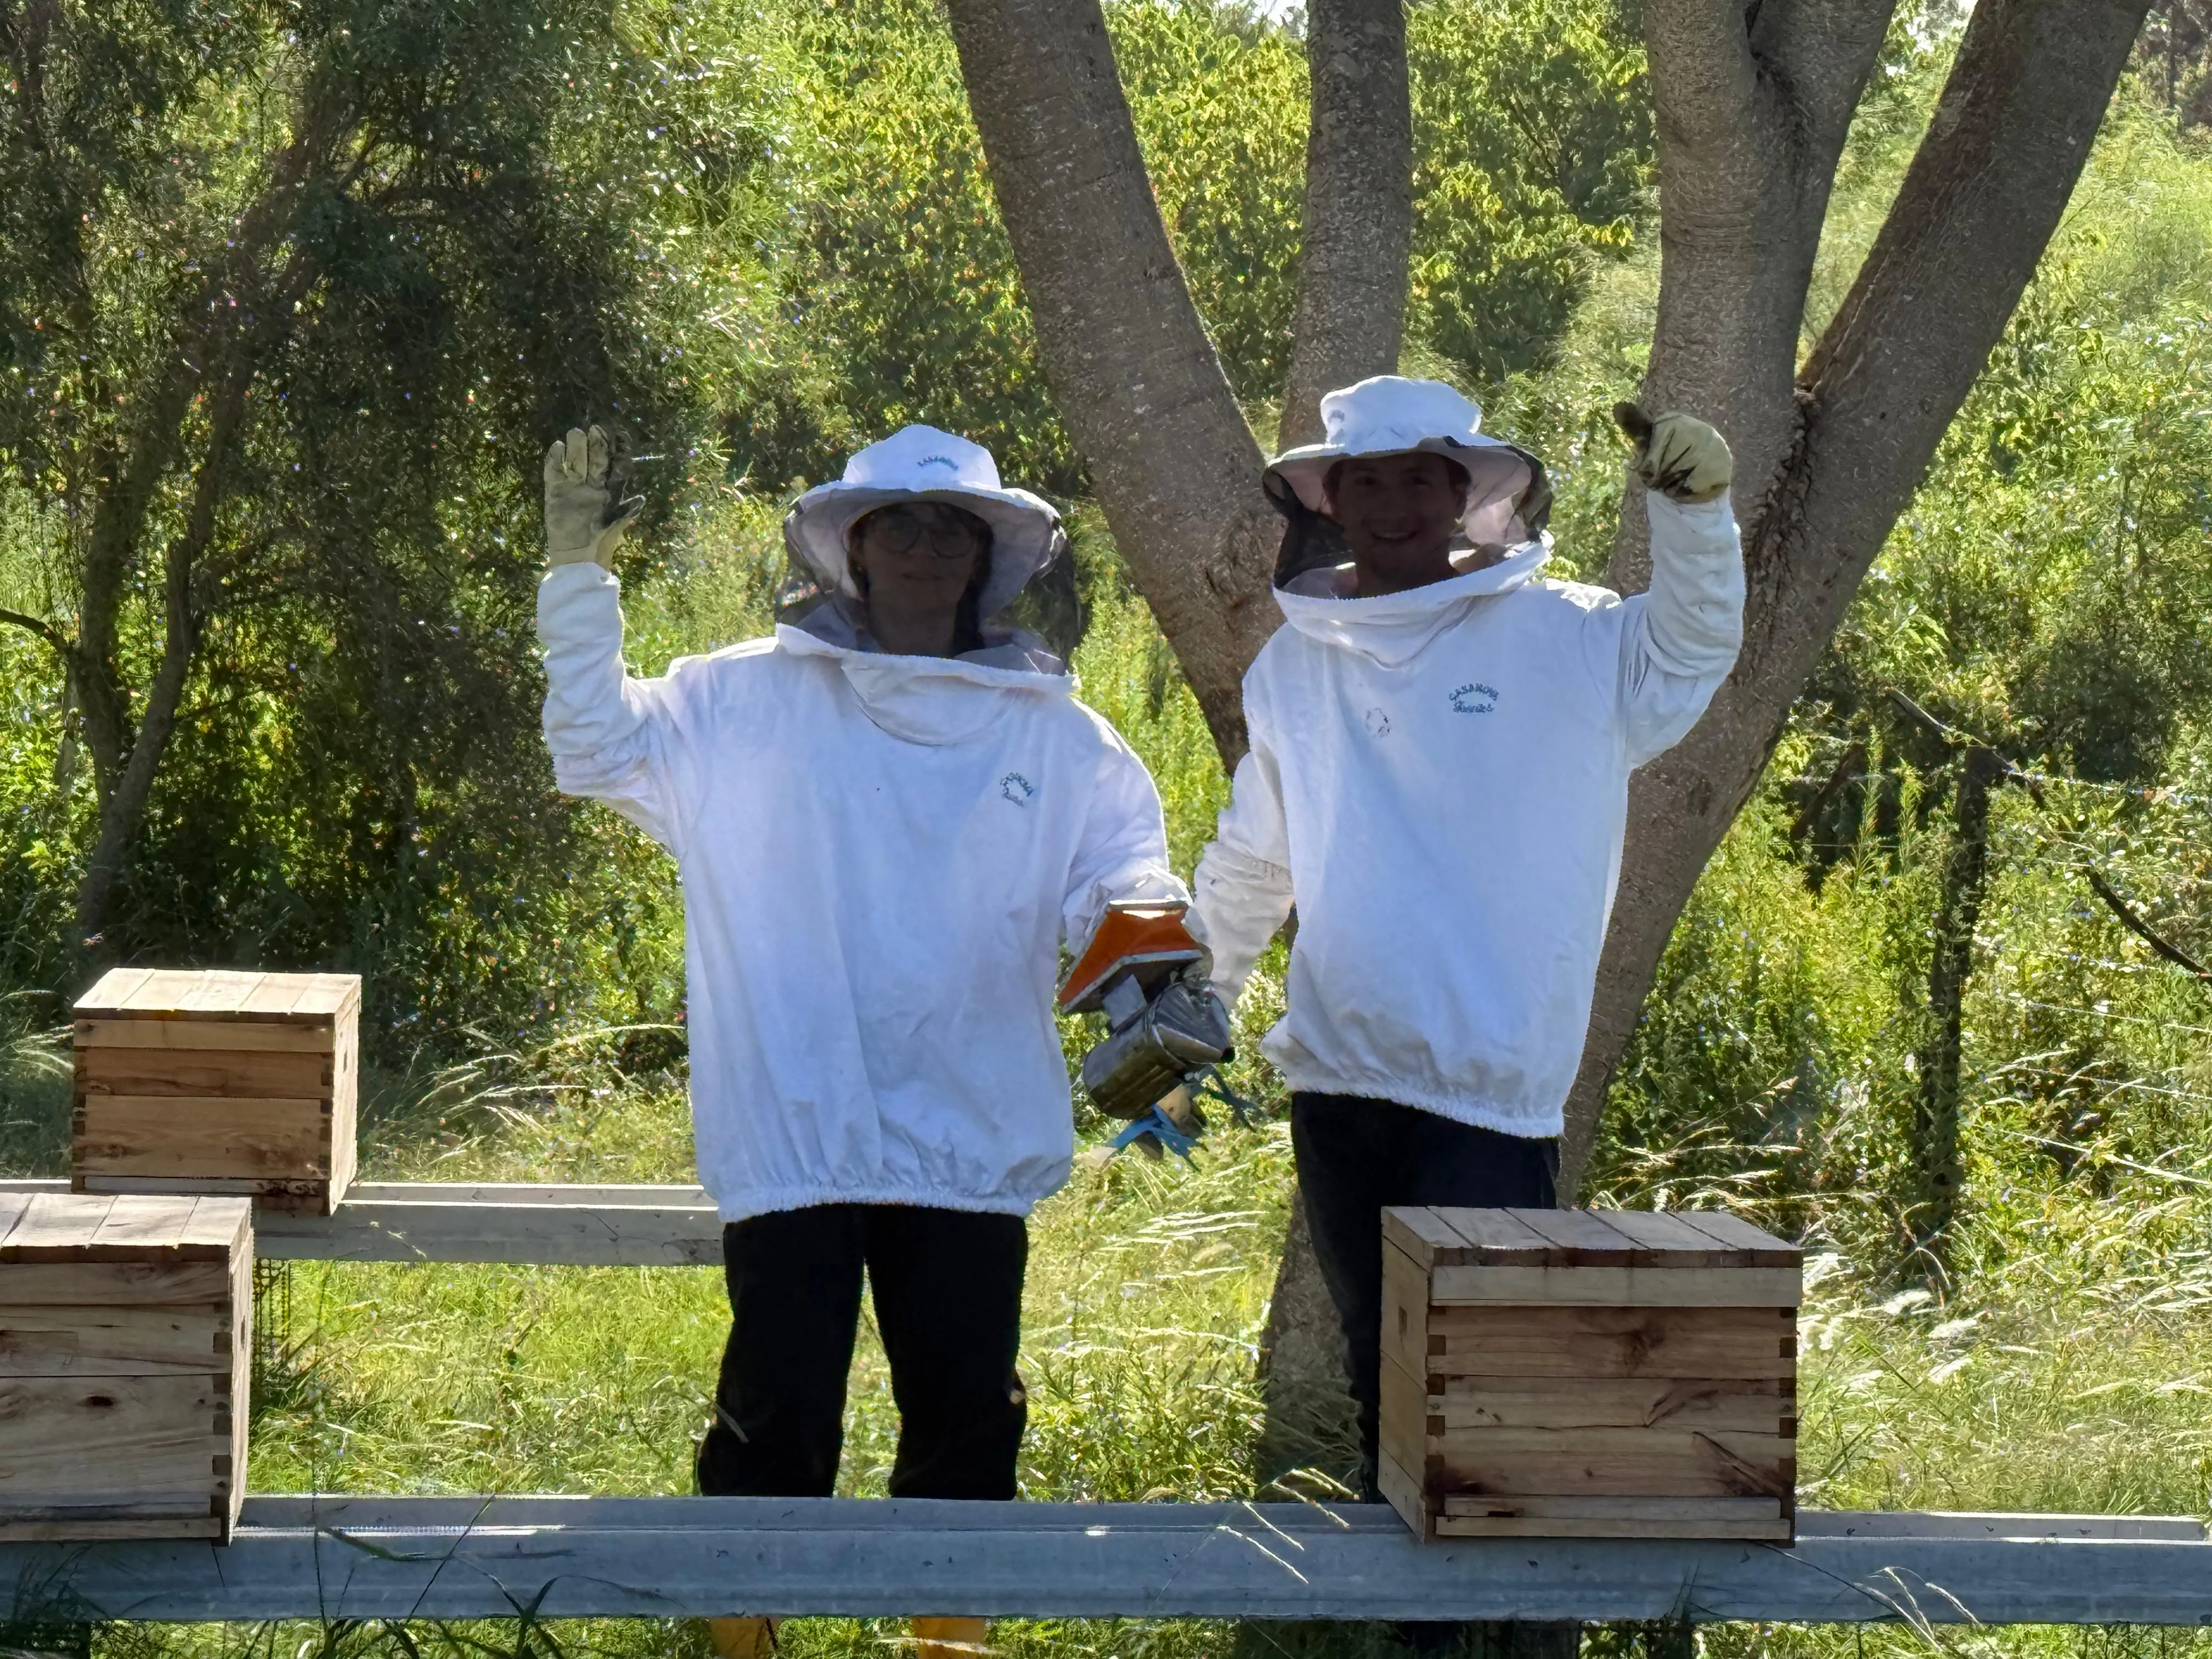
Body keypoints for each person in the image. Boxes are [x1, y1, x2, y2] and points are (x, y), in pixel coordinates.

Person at [537, 422, 1183, 1659]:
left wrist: (1156, 965)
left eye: (954, 528)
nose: (927, 547)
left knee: (964, 1420)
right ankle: (744, 1644)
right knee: (774, 1418)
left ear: (994, 559)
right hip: (796, 1124)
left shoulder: (1059, 739)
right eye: (900, 524)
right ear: (850, 549)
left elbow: (1124, 878)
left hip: (968, 1131)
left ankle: (947, 1647)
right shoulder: (739, 700)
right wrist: (577, 579)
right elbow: (596, 746)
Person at [1188, 375, 1744, 1504]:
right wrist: (1201, 992)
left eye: (1418, 479)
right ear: (1330, 503)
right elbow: (1257, 855)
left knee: (1484, 1371)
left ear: (1464, 494)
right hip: (1341, 1075)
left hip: (1490, 1086)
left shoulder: (1569, 636)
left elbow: (1689, 651)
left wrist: (1696, 514)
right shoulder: (1296, 663)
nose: (1393, 504)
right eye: (1369, 482)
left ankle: (1485, 1618)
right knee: (1376, 1363)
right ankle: (1407, 1617)